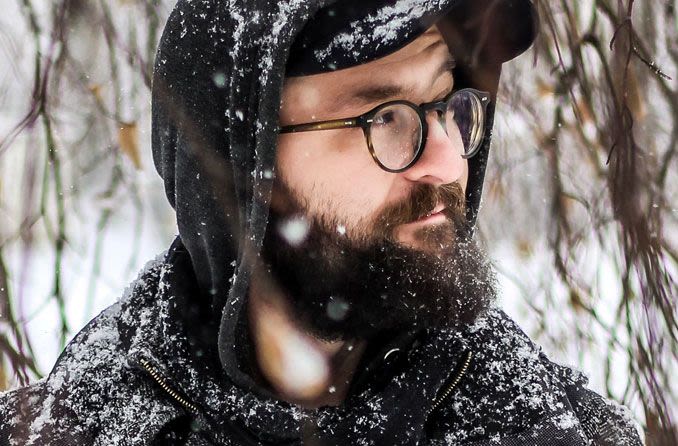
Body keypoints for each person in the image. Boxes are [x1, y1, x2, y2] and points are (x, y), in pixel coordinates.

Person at [0, 0, 643, 445]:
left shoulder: (553, 428)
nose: (449, 160)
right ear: (243, 167)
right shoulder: (66, 429)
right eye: (384, 116)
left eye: (449, 105)